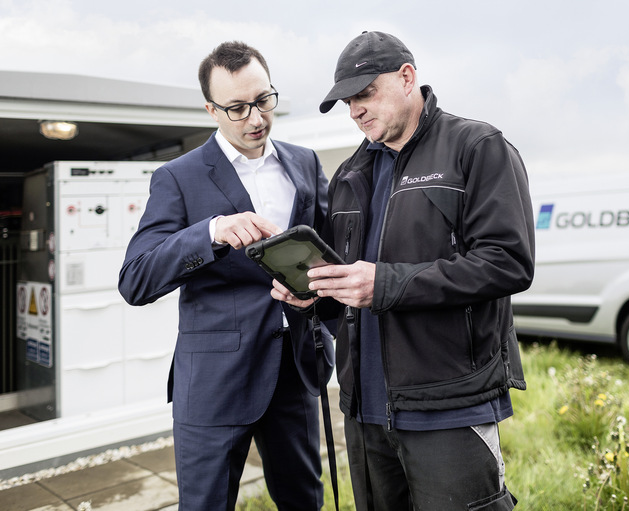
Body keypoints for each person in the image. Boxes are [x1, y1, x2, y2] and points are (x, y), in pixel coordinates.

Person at [271, 31, 535, 510]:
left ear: (407, 78)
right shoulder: (349, 174)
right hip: (363, 411)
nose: (355, 110)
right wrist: (317, 293)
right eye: (348, 101)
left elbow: (508, 263)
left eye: (365, 93)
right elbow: (354, 283)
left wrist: (385, 283)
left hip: (448, 406)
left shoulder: (477, 147)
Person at [118, 41, 333, 511]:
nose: (255, 118)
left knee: (305, 502)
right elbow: (135, 279)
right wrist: (211, 232)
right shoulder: (177, 177)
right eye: (237, 108)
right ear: (211, 109)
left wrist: (316, 297)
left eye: (263, 101)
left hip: (294, 372)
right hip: (214, 382)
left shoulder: (305, 163)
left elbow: (330, 259)